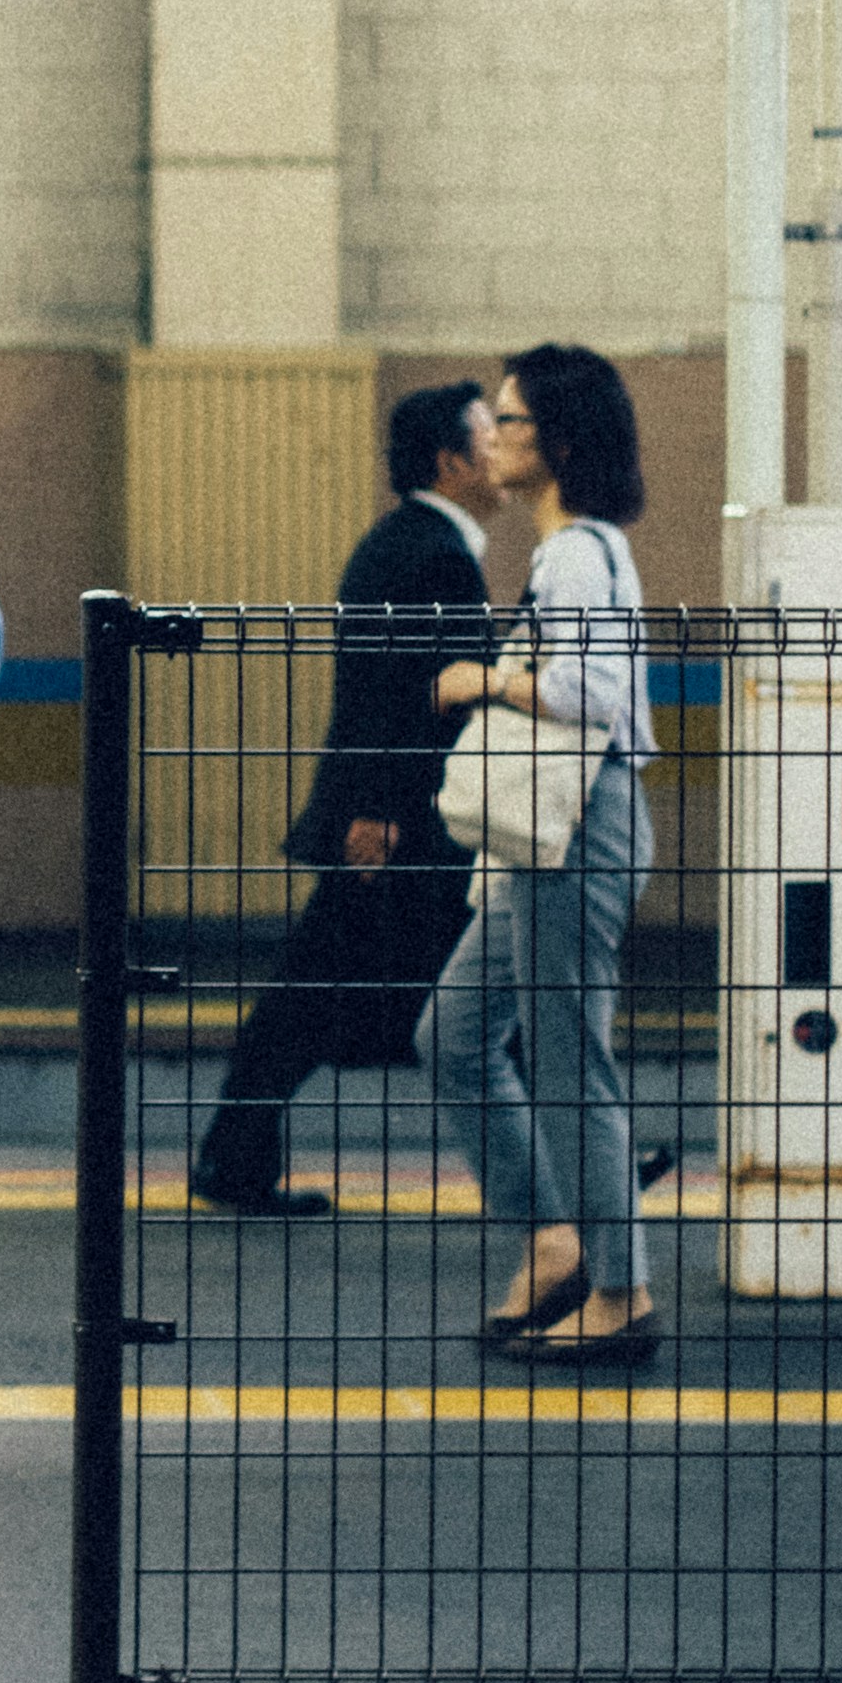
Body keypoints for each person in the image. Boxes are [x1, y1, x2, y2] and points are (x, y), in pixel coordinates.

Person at [188, 382, 501, 1219]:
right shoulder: (430, 554)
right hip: (398, 827)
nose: (502, 451)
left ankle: (234, 1158)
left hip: (398, 821)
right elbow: (391, 695)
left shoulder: (413, 543)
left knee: (328, 999)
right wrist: (377, 811)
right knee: (479, 994)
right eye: (488, 436)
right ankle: (577, 1177)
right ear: (451, 460)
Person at [432, 342, 658, 1371]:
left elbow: (589, 696)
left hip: (578, 827)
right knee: (455, 1032)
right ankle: (555, 1233)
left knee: (572, 1063)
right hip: (551, 830)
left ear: (557, 440)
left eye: (510, 421)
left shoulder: (578, 552)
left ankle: (620, 1289)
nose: (495, 437)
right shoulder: (572, 549)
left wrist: (483, 678)